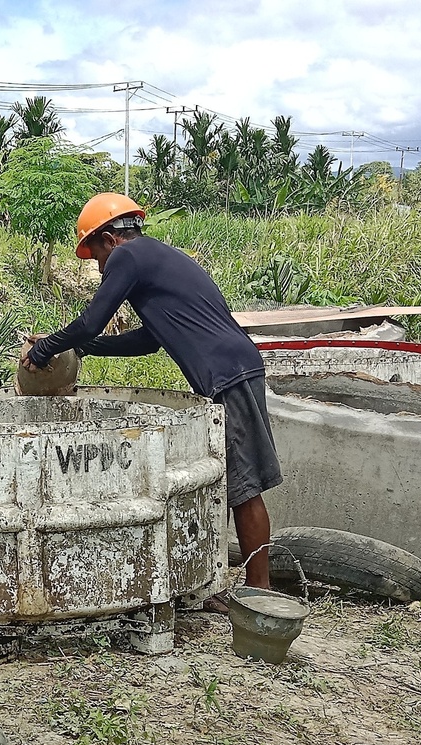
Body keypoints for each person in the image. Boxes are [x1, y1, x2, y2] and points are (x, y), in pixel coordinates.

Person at [21, 192, 280, 592]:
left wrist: (45, 348)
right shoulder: (158, 257)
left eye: (96, 257)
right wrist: (87, 348)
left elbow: (91, 321)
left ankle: (259, 594)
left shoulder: (128, 257)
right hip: (232, 369)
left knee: (243, 487)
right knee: (227, 482)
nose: (100, 268)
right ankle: (222, 585)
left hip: (228, 373)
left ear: (109, 239)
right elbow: (149, 341)